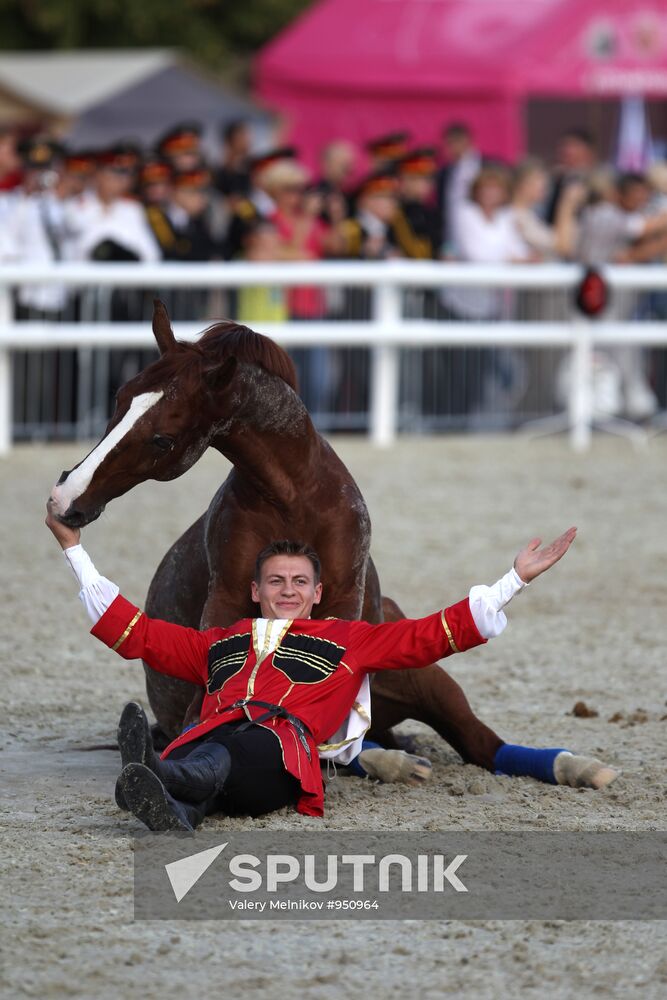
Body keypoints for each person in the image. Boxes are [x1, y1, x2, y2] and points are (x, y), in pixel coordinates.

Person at [46, 506, 611, 832]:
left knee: (242, 742)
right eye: (275, 581)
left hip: (281, 761)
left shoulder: (350, 640)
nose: (287, 591)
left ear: (317, 594)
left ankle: (160, 775)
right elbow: (136, 633)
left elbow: (434, 634)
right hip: (223, 756)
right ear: (255, 590)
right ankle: (175, 805)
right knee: (207, 752)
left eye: (299, 582)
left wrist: (513, 581)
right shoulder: (217, 642)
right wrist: (73, 549)